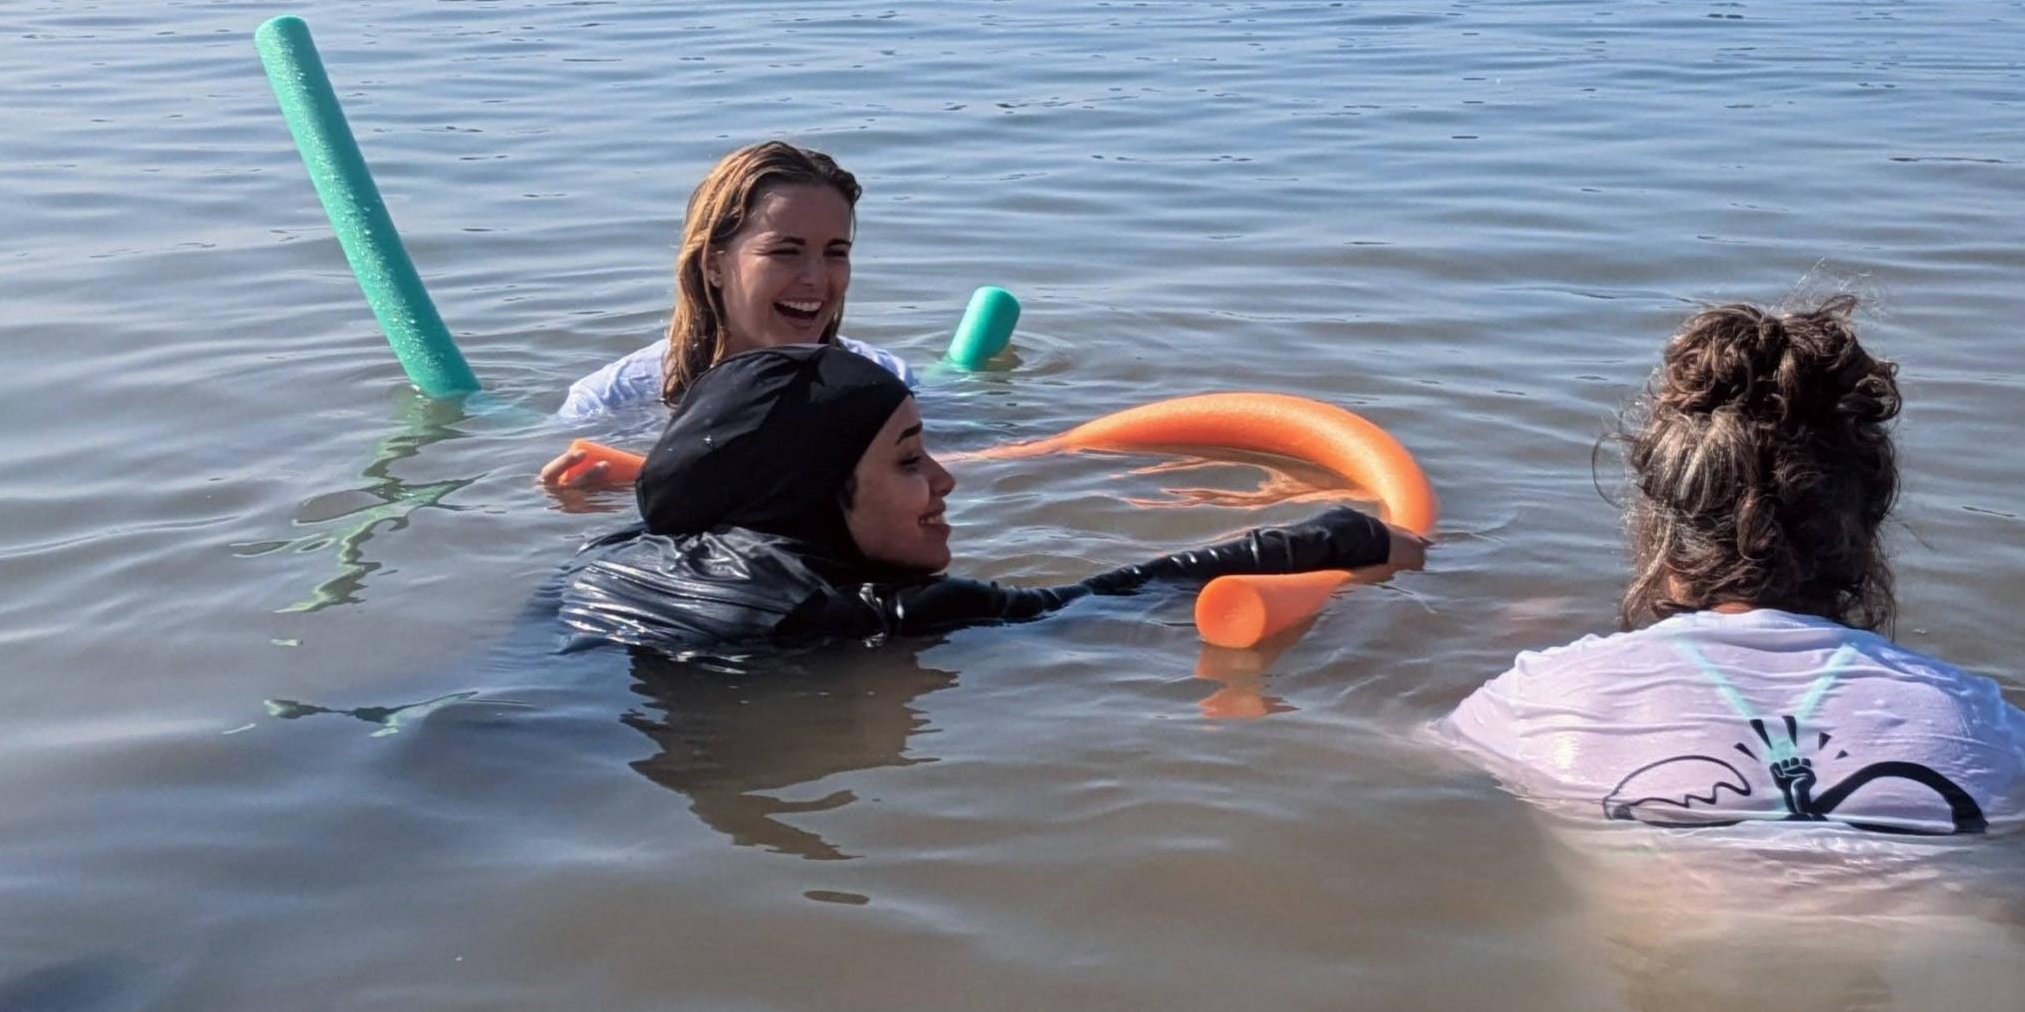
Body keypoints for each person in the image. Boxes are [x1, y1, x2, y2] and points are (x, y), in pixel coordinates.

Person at [1441, 298, 2025, 837]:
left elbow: (1384, 752)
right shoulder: (1984, 726)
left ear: (1663, 528)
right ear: (1866, 525)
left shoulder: (1542, 701)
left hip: (1662, 977)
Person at [559, 344, 1426, 658]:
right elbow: (1105, 601)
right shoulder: (878, 613)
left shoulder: (608, 562)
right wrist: (1332, 536)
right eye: (909, 462)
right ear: (815, 496)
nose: (945, 479)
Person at [549, 141, 913, 477]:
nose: (816, 279)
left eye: (836, 253)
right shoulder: (609, 404)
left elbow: (955, 467)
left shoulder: (888, 382)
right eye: (786, 252)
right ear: (713, 264)